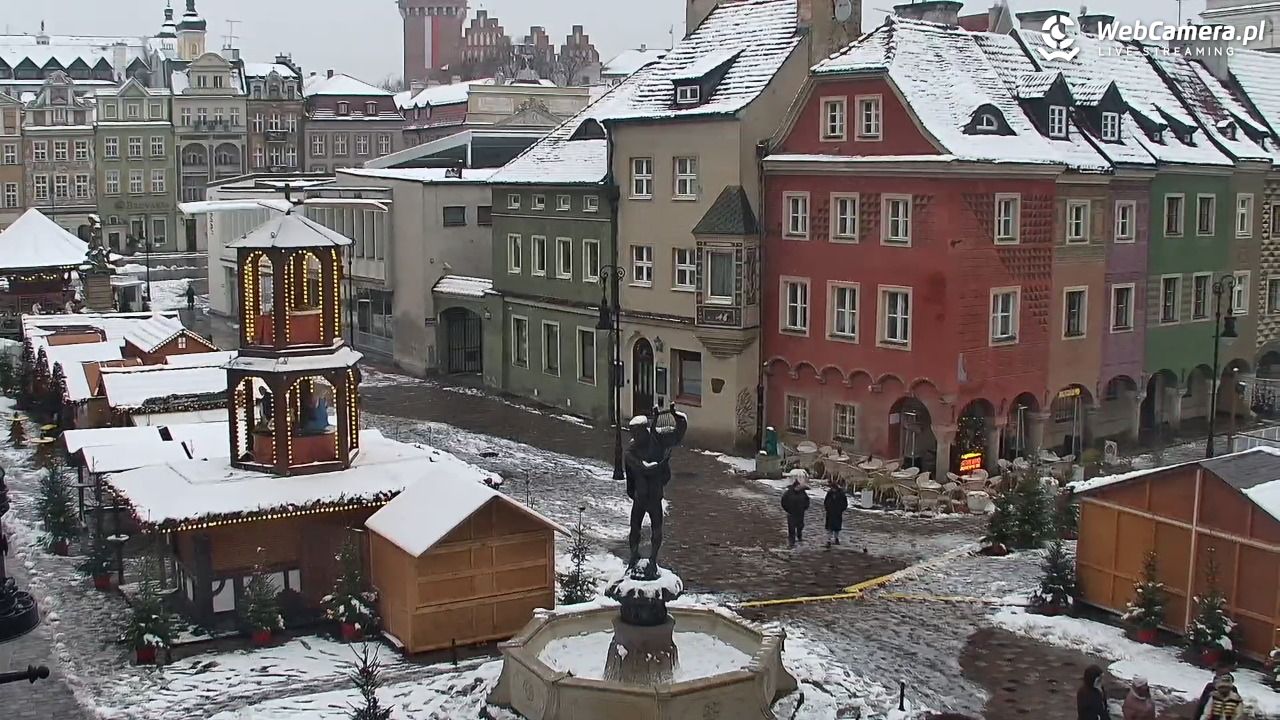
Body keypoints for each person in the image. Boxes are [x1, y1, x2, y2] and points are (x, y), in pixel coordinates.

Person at [781, 473, 810, 548]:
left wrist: (804, 508)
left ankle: (799, 536)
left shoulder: (802, 493)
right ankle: (792, 541)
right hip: (791, 513)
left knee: (800, 526)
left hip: (800, 513)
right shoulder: (788, 493)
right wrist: (788, 509)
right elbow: (783, 502)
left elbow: (807, 501)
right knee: (791, 528)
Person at [823, 479, 848, 548]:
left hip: (837, 513)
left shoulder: (841, 494)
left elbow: (845, 503)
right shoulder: (829, 493)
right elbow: (826, 502)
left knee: (837, 527)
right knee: (829, 528)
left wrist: (841, 510)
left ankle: (836, 538)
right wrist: (827, 508)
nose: (832, 489)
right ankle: (829, 540)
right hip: (830, 513)